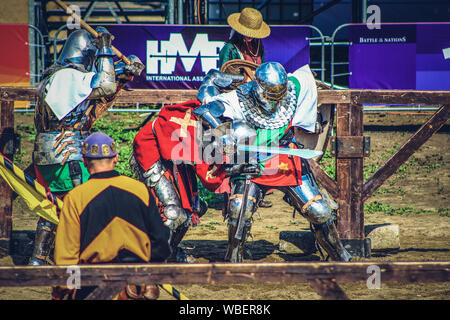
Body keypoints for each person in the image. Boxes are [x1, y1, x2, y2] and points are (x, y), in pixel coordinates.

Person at [194, 62, 352, 263]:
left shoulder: (294, 87)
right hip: (251, 160)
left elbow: (308, 76)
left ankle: (341, 257)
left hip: (286, 156)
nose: (274, 100)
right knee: (239, 207)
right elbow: (205, 110)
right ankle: (233, 259)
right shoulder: (238, 98)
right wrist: (223, 134)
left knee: (319, 212)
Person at [28, 27, 144, 266]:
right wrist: (104, 50)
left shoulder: (62, 78)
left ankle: (40, 257)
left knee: (60, 204)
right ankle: (81, 256)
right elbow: (105, 85)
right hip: (65, 151)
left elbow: (105, 83)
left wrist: (127, 70)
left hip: (57, 150)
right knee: (83, 204)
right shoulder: (66, 77)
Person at [53, 132, 171, 300]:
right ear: (115, 158)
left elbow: (67, 255)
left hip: (91, 287)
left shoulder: (76, 197)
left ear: (85, 162)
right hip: (135, 287)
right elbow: (160, 241)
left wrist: (65, 287)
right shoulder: (139, 190)